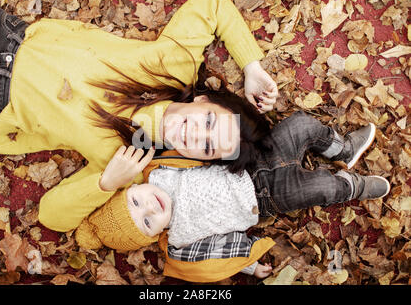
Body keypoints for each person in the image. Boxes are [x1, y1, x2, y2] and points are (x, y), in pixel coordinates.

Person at [0, 0, 279, 231]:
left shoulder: (131, 157)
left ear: (196, 159)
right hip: (2, 34)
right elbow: (211, 2)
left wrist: (105, 184)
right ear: (203, 101)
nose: (197, 133)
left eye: (207, 146)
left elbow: (51, 216)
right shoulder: (174, 66)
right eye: (209, 121)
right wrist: (252, 67)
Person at [74, 111, 390, 282]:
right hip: (268, 198)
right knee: (320, 188)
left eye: (135, 201)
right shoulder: (182, 240)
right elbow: (213, 256)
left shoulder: (159, 171)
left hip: (252, 158)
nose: (150, 208)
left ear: (133, 187)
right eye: (146, 222)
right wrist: (249, 265)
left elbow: (157, 134)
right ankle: (352, 185)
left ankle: (343, 149)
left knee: (301, 124)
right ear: (154, 235)